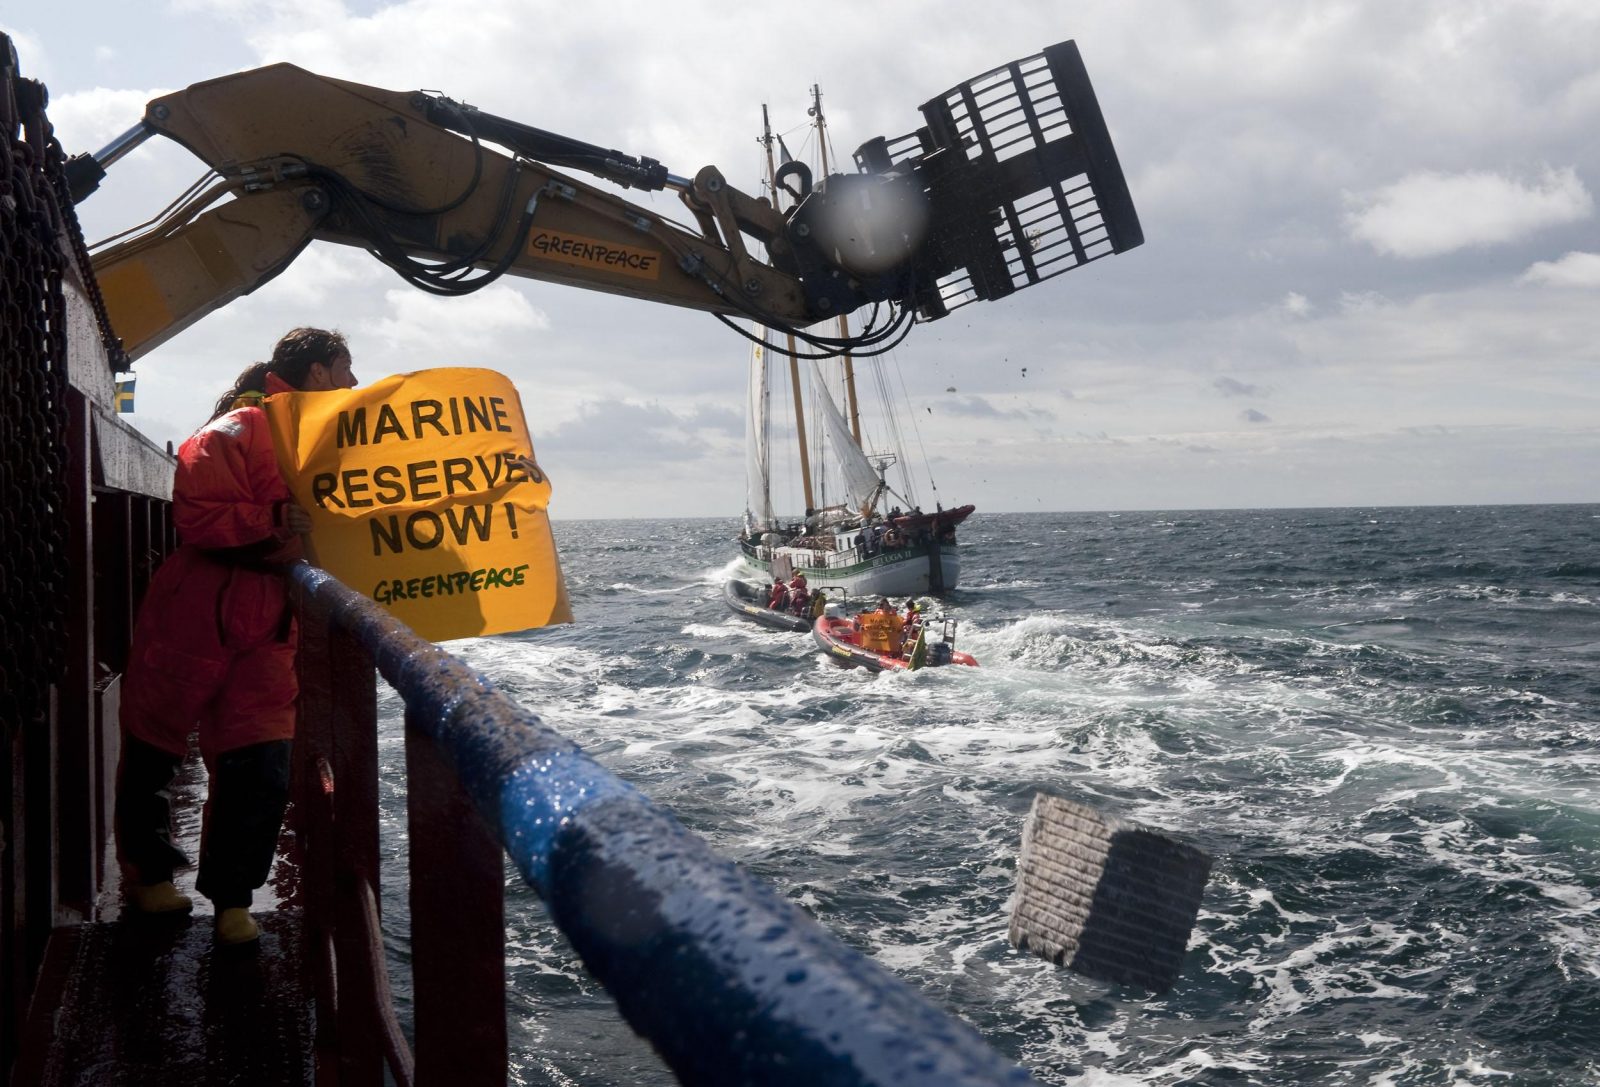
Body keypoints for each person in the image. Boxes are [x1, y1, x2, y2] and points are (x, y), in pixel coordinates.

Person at [115, 327, 357, 947]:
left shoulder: (335, 441)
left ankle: (233, 900)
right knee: (155, 745)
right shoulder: (242, 427)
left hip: (270, 613)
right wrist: (273, 518)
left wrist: (496, 478)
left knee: (262, 761)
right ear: (319, 372)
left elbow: (391, 502)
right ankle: (148, 876)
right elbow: (196, 511)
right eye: (345, 368)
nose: (353, 383)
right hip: (198, 602)